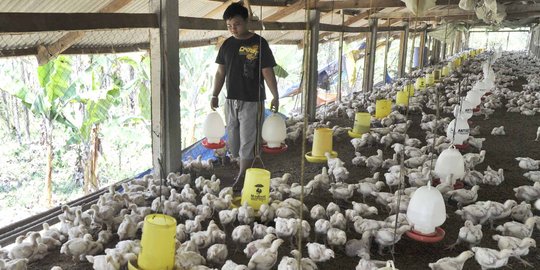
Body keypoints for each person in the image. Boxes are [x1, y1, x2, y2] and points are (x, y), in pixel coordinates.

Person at [211, 2, 279, 192]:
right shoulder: (227, 44)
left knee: (248, 139)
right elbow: (220, 73)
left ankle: (242, 176)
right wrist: (215, 94)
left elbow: (267, 71)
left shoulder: (259, 43)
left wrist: (275, 95)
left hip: (252, 100)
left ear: (247, 21)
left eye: (237, 24)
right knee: (233, 139)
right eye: (229, 25)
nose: (233, 28)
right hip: (231, 100)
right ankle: (243, 165)